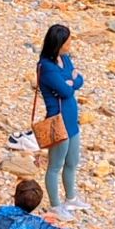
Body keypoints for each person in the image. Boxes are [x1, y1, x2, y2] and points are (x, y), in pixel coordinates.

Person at [37, 24, 85, 210]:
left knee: (72, 162)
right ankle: (55, 205)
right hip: (58, 121)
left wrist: (71, 80)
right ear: (58, 44)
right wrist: (72, 80)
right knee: (55, 165)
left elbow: (78, 80)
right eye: (67, 41)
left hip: (71, 120)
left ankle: (71, 198)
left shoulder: (65, 59)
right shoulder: (46, 67)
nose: (70, 43)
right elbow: (65, 91)